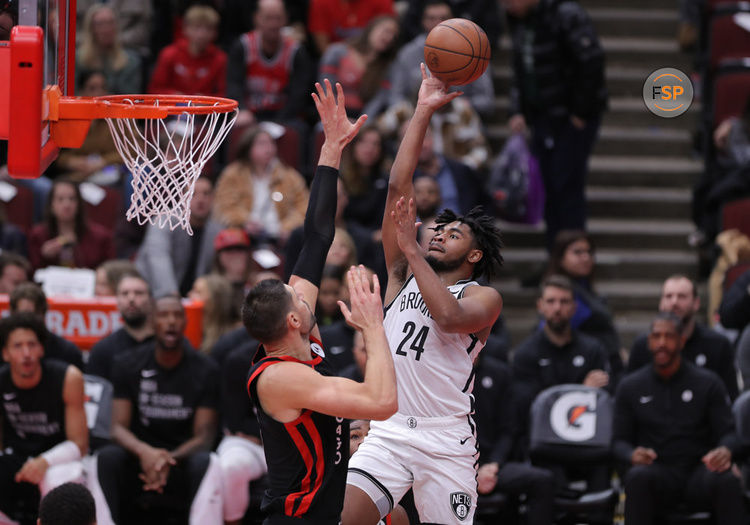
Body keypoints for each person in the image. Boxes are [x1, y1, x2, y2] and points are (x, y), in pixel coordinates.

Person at [342, 65, 504, 525]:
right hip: (390, 431)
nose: (440, 235)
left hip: (445, 437)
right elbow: (398, 188)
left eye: (454, 235)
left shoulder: (483, 297)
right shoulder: (402, 272)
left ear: (473, 255)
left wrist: (412, 249)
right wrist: (423, 110)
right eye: (440, 228)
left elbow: (450, 318)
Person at [243, 79, 397, 524]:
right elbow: (382, 401)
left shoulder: (296, 331)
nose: (304, 286)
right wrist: (372, 326)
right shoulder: (281, 379)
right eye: (298, 294)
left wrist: (332, 148)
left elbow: (317, 236)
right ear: (294, 319)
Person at [94, 294, 222, 524]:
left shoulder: (206, 369)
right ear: (152, 322)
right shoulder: (127, 363)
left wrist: (165, 459)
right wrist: (145, 453)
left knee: (207, 461)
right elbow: (117, 428)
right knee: (106, 458)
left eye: (177, 315)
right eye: (163, 315)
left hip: (180, 460)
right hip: (137, 458)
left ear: (185, 322)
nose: (171, 321)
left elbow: (204, 437)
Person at [614, 312, 746, 524]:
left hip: (699, 471)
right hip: (656, 471)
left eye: (669, 336)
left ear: (682, 341)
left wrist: (725, 451)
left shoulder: (708, 383)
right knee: (637, 476)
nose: (662, 343)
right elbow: (618, 441)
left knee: (726, 479)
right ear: (649, 341)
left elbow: (729, 434)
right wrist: (632, 454)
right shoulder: (630, 386)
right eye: (656, 336)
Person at [502, 0, 607, 248]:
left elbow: (591, 60)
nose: (505, 4)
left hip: (571, 120)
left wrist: (580, 113)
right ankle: (557, 260)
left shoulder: (566, 14)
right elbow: (522, 70)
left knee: (567, 190)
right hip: (542, 119)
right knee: (548, 191)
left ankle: (576, 264)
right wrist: (518, 110)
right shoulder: (521, 20)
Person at [0, 313, 88, 522]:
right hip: (17, 459)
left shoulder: (68, 377)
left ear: (41, 349)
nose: (26, 353)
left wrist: (44, 462)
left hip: (60, 459)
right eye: (18, 346)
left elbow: (80, 444)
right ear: (5, 353)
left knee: (61, 479)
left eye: (32, 345)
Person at [511, 275, 610, 454]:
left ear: (574, 307)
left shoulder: (593, 349)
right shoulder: (525, 354)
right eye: (551, 301)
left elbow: (602, 399)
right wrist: (583, 392)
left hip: (588, 440)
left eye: (564, 302)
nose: (557, 308)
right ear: (540, 306)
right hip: (544, 443)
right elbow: (529, 406)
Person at [473, 352, 556, 525]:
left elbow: (508, 430)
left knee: (542, 480)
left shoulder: (500, 373)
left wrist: (493, 465)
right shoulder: (437, 371)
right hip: (451, 464)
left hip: (492, 463)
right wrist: (471, 470)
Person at [627, 275, 738, 400]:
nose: (674, 302)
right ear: (661, 303)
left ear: (696, 303)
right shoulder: (643, 345)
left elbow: (730, 399)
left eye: (682, 296)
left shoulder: (718, 345)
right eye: (669, 296)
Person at [388, 0, 495, 116]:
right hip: (416, 115)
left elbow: (487, 101)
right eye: (431, 18)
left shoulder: (474, 51)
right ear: (423, 22)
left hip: (455, 119)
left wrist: (454, 103)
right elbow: (395, 97)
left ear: (453, 20)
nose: (438, 23)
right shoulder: (408, 53)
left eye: (443, 18)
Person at [546, 230, 622, 384]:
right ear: (560, 258)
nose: (586, 257)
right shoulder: (561, 295)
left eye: (589, 252)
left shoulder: (586, 289)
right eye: (578, 252)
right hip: (583, 369)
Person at [213, 127, 309, 245]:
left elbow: (303, 208)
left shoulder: (289, 176)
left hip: (281, 238)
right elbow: (224, 206)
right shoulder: (232, 174)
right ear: (248, 147)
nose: (268, 148)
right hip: (244, 236)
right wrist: (244, 222)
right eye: (262, 144)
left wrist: (287, 227)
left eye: (271, 143)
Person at [227, 0, 314, 128]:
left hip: (283, 115)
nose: (273, 24)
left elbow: (299, 96)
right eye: (268, 18)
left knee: (299, 128)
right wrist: (242, 109)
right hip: (250, 113)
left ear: (285, 19)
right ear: (257, 19)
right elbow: (234, 85)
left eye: (278, 18)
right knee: (234, 124)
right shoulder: (242, 47)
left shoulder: (296, 51)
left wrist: (278, 121)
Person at [136, 176, 223, 298]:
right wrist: (169, 294)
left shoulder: (216, 230)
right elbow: (158, 257)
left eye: (206, 194)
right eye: (193, 193)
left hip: (194, 298)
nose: (201, 199)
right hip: (153, 293)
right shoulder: (165, 220)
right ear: (181, 198)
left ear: (213, 199)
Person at [318, 15, 400, 119]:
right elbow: (325, 88)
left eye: (394, 36)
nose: (390, 37)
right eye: (387, 31)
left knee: (372, 135)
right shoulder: (337, 52)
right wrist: (336, 118)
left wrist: (362, 123)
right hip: (331, 114)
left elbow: (377, 101)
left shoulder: (387, 67)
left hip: (361, 118)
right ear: (372, 28)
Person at [27, 178, 115, 271]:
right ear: (51, 205)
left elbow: (109, 271)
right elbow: (32, 272)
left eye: (72, 199)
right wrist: (44, 255)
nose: (67, 204)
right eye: (60, 199)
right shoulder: (38, 235)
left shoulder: (100, 236)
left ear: (79, 204)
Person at [86, 272, 154, 381]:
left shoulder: (165, 347)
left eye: (139, 293)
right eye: (125, 293)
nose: (131, 298)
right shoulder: (102, 350)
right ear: (116, 301)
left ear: (151, 300)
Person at [148, 5, 227, 97]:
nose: (201, 34)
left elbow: (223, 93)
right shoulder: (169, 54)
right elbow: (155, 89)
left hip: (205, 108)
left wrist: (205, 100)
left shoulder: (220, 59)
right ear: (185, 28)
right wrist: (176, 96)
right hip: (173, 107)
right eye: (196, 28)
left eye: (208, 29)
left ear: (215, 32)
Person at [10, 283, 84, 371]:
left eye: (33, 315)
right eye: (24, 315)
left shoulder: (68, 352)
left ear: (43, 313)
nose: (28, 321)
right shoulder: (2, 349)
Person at [75, 4, 141, 95]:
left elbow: (132, 98)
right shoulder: (77, 60)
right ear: (90, 28)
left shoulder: (131, 62)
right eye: (100, 24)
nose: (106, 29)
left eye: (110, 23)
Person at [307, 0, 395, 56]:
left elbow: (390, 34)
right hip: (336, 59)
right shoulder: (321, 2)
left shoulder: (382, 2)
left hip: (373, 59)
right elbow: (323, 46)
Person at [188, 273, 242, 355]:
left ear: (216, 299)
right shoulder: (190, 327)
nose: (189, 295)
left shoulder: (236, 332)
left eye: (197, 292)